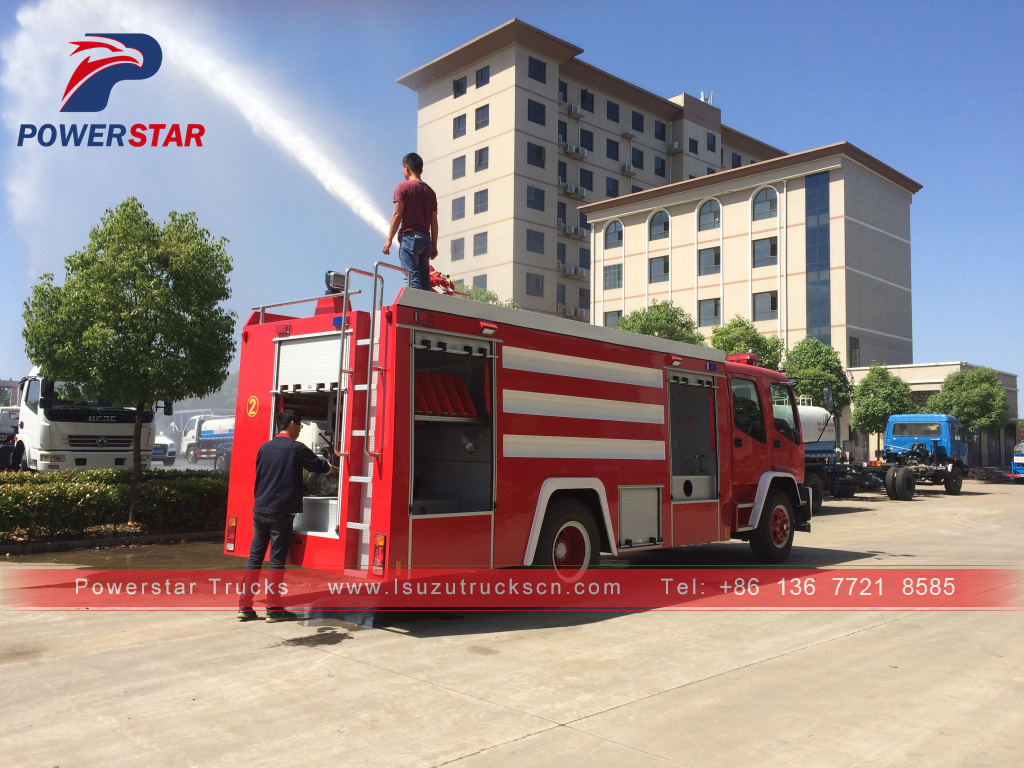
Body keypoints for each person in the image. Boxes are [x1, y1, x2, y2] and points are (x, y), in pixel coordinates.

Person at [238, 410, 339, 623]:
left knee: (254, 559)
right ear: (292, 424)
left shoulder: (264, 448)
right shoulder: (296, 449)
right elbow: (319, 466)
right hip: (281, 514)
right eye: (300, 426)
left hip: (260, 510)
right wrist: (336, 469)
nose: (300, 430)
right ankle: (274, 609)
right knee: (276, 561)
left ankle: (244, 606)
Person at [383, 152, 438, 291]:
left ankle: (415, 308)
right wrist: (434, 246)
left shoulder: (403, 187)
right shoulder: (430, 192)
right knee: (425, 279)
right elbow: (434, 221)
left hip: (410, 239)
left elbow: (397, 214)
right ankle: (426, 309)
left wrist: (389, 239)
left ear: (407, 168)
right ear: (421, 169)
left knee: (411, 277)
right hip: (426, 241)